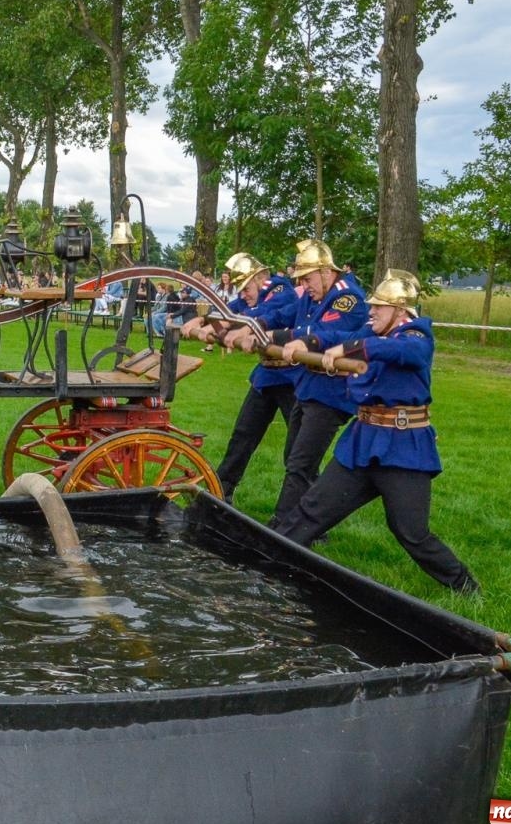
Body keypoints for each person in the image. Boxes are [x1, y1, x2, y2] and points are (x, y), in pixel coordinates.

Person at [276, 271, 479, 594]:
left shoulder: (417, 337)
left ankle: (465, 586)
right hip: (361, 442)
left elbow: (397, 352)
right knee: (311, 510)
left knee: (410, 531)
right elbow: (342, 334)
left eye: (379, 308)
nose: (371, 313)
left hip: (402, 449)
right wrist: (309, 342)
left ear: (400, 312)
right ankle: (269, 563)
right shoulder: (372, 329)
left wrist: (351, 348)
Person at [265, 239, 370, 526]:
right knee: (296, 459)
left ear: (326, 272)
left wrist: (286, 336)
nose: (304, 285)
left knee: (300, 464)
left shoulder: (348, 298)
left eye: (308, 278)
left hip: (331, 392)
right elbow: (281, 316)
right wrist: (250, 325)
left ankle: (282, 527)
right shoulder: (312, 295)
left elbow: (326, 332)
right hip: (308, 387)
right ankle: (314, 524)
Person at [183, 253, 299, 505]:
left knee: (300, 451)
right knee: (243, 435)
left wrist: (238, 328)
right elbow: (230, 309)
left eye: (246, 287)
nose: (243, 294)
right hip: (267, 375)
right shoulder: (252, 295)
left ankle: (307, 514)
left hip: (293, 380)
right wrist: (202, 319)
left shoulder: (280, 288)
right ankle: (220, 494)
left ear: (260, 278)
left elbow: (265, 314)